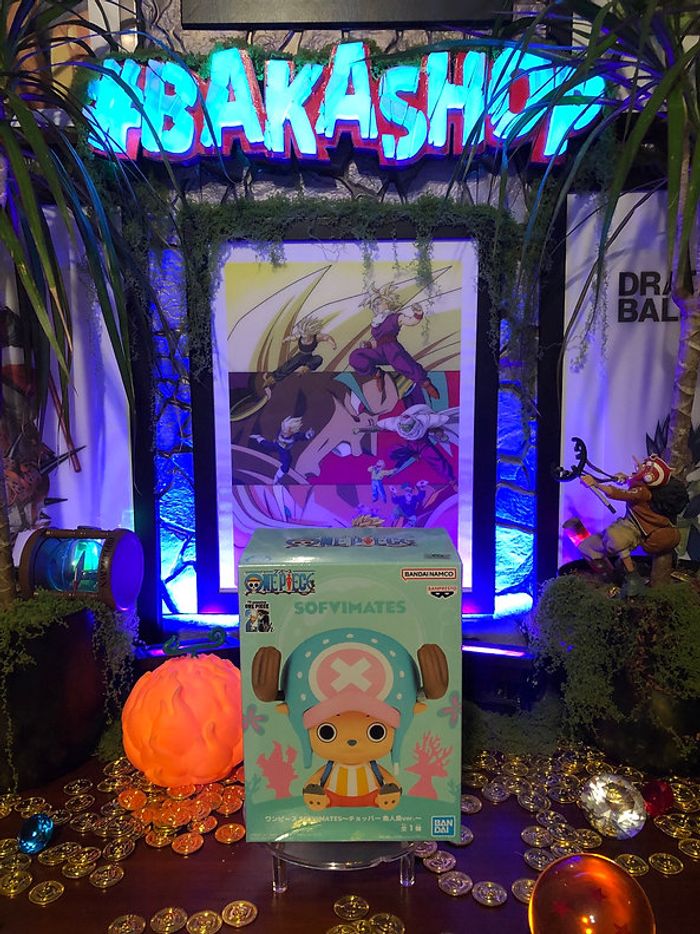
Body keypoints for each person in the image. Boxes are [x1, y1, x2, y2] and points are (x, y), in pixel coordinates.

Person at [577, 454, 684, 597]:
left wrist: (596, 484)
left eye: (643, 467)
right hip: (626, 524)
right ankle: (610, 575)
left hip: (634, 529)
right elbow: (629, 484)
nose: (638, 467)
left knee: (616, 539)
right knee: (587, 547)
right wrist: (623, 479)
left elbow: (619, 494)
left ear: (649, 477)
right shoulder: (640, 486)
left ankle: (632, 575)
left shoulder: (642, 492)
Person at [349, 286, 439, 400]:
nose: (375, 307)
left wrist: (418, 313)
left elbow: (411, 321)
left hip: (392, 350)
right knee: (355, 356)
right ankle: (377, 374)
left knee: (407, 366)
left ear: (386, 302)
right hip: (380, 351)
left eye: (378, 303)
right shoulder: (376, 322)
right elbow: (379, 341)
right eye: (373, 305)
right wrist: (369, 345)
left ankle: (425, 384)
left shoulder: (395, 317)